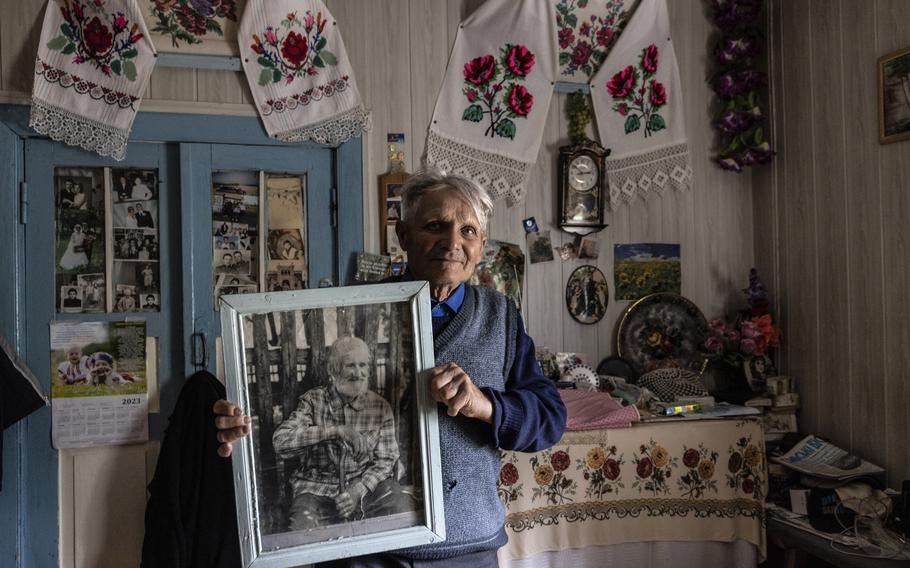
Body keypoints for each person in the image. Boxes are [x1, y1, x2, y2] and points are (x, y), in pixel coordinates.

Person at [216, 170, 567, 567]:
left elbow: (550, 419)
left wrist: (484, 405)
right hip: (368, 550)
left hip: (467, 551)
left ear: (481, 246)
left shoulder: (500, 317)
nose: (453, 242)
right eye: (436, 226)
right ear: (403, 236)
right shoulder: (352, 312)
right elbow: (277, 434)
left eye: (468, 231)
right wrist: (238, 427)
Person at [272, 336, 413, 530]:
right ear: (333, 370)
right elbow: (281, 442)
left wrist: (359, 489)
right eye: (350, 365)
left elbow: (387, 459)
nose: (359, 373)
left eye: (363, 365)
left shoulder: (379, 407)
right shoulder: (313, 401)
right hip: (316, 490)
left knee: (403, 511)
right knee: (301, 532)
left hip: (365, 488)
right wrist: (334, 431)